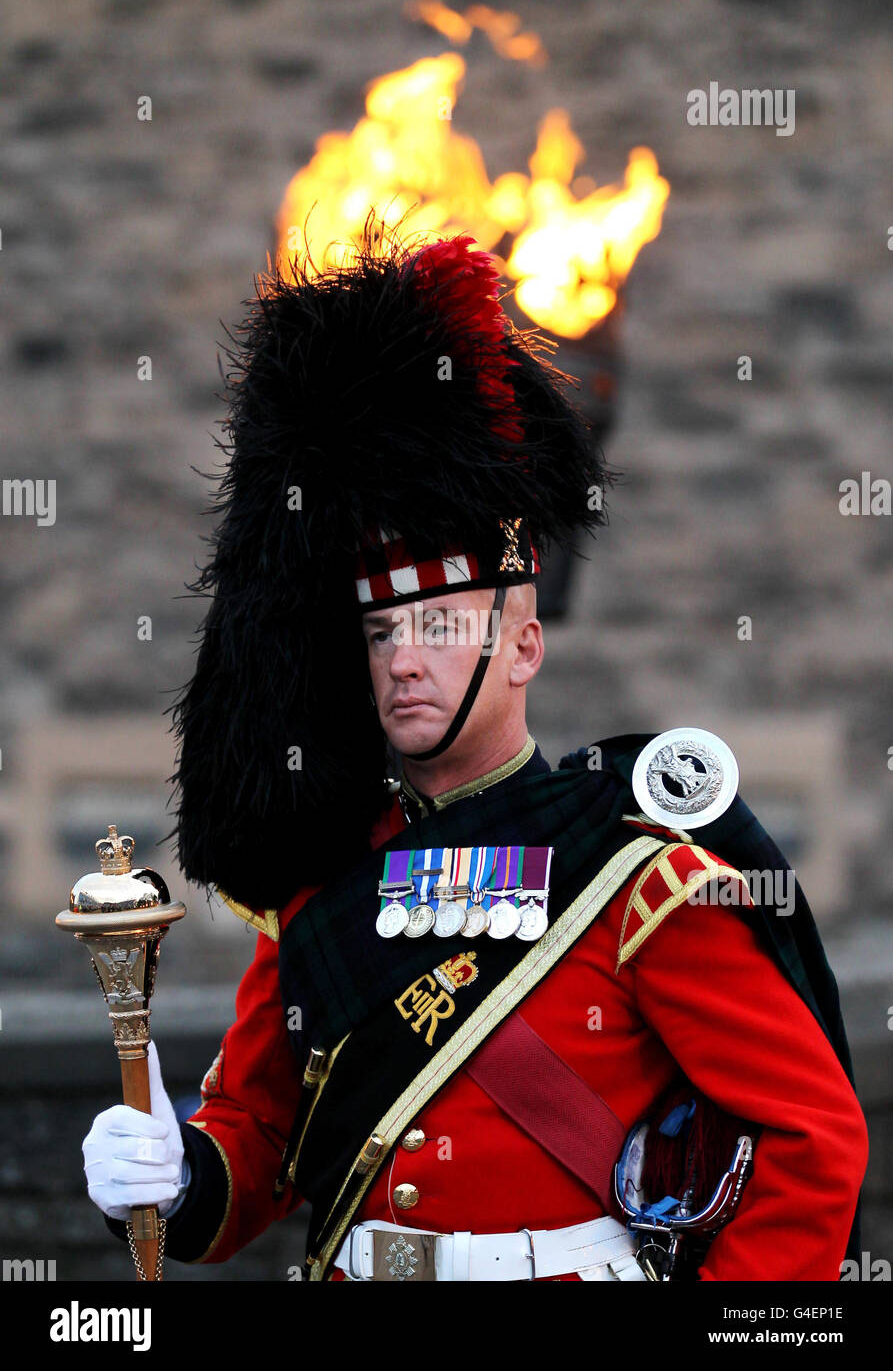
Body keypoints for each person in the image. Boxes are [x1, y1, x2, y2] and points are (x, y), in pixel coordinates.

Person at [82, 224, 868, 1282]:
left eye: (442, 625)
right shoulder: (325, 878)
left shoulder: (642, 880)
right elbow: (261, 1136)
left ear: (523, 646)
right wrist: (176, 1174)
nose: (404, 659)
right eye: (378, 633)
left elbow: (812, 1140)